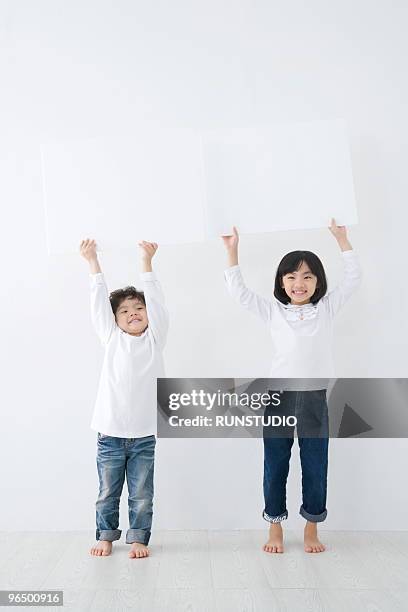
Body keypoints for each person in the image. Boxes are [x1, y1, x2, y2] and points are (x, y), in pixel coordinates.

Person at [222, 219, 362, 553]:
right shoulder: (274, 311)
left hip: (314, 399)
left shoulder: (326, 308)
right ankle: (275, 527)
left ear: (317, 282)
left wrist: (343, 240)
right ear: (282, 282)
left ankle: (312, 528)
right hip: (279, 398)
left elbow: (354, 278)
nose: (299, 283)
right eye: (292, 276)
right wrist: (232, 251)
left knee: (315, 465)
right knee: (275, 465)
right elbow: (238, 293)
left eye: (307, 276)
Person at [80, 238, 169, 559]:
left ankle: (139, 539)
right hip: (110, 432)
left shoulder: (155, 339)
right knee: (107, 492)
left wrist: (146, 262)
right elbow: (97, 304)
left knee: (142, 494)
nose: (133, 313)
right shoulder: (112, 338)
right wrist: (93, 263)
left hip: (144, 434)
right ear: (115, 319)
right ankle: (105, 535)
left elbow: (157, 303)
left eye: (139, 309)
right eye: (125, 311)